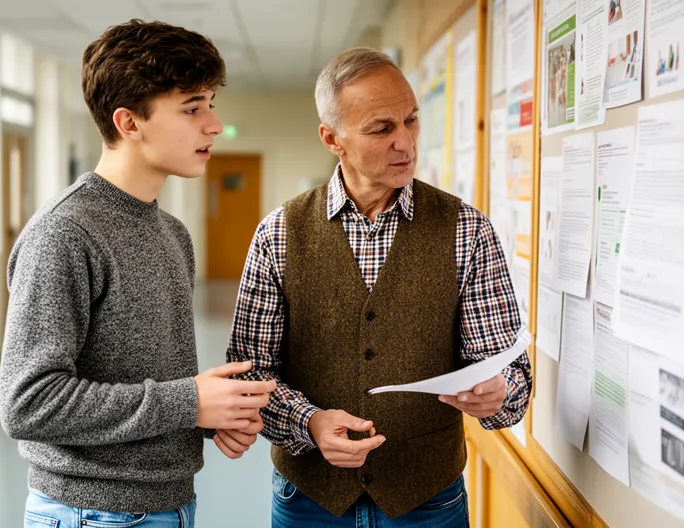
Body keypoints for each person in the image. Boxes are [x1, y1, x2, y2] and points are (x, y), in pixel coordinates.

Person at [222, 48, 531, 527]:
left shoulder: (466, 230)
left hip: (429, 502)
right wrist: (308, 423)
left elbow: (510, 374)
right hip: (309, 501)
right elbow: (248, 373)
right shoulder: (279, 233)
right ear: (332, 139)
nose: (405, 142)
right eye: (381, 129)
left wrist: (498, 393)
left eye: (411, 120)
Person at [0, 19, 276, 528]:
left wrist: (213, 416)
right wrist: (190, 402)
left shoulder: (172, 233)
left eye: (210, 104)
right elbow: (28, 403)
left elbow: (144, 379)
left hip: (169, 504)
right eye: (192, 109)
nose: (213, 124)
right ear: (129, 123)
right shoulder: (62, 234)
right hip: (92, 513)